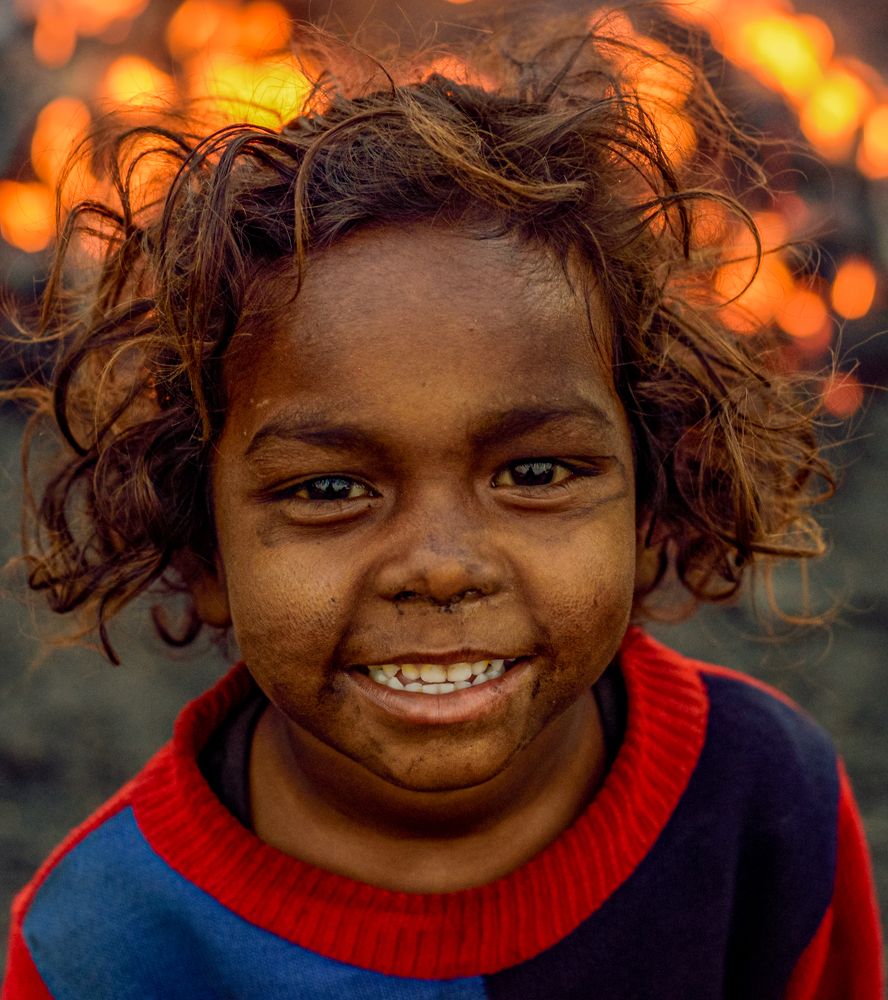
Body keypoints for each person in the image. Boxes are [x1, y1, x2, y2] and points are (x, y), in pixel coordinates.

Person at [1, 9, 883, 998]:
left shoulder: (765, 804)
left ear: (650, 510)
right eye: (330, 489)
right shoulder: (102, 944)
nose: (443, 564)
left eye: (537, 473)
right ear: (202, 551)